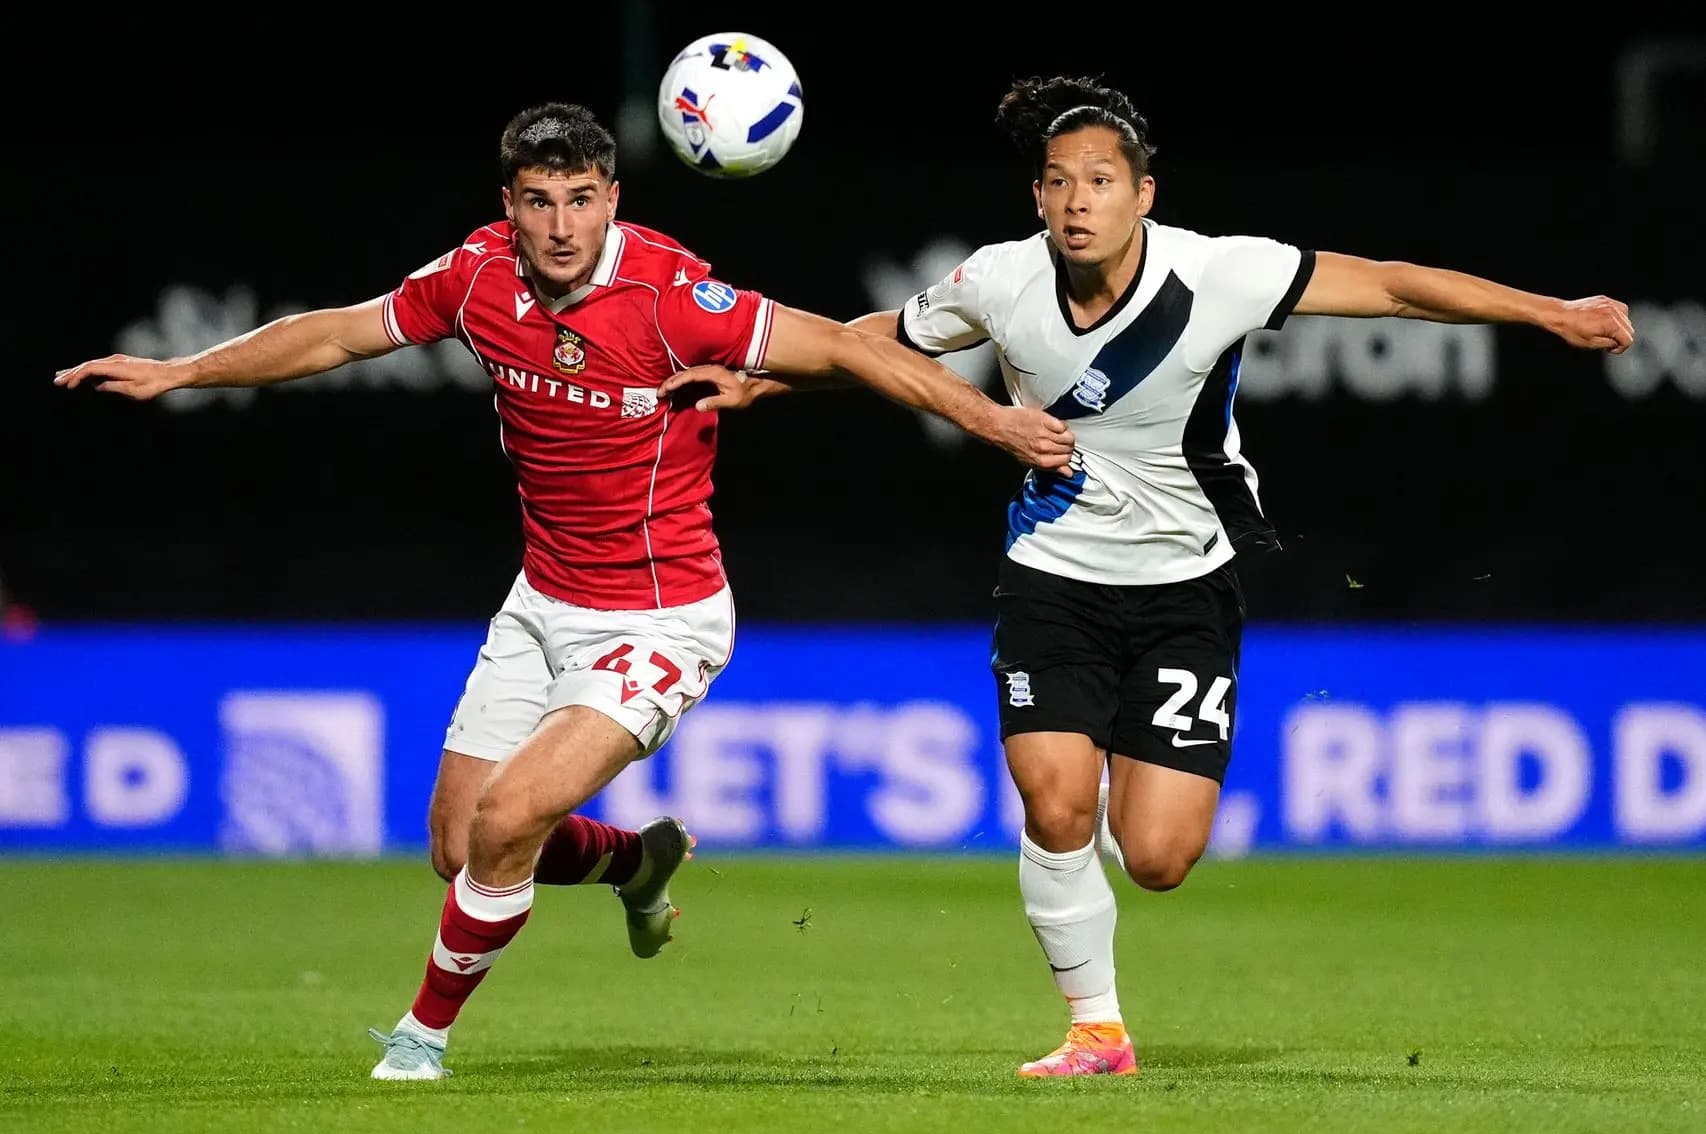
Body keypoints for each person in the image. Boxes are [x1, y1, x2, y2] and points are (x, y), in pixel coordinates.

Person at [53, 100, 1076, 1081]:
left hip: (661, 614)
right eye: (539, 201)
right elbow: (335, 334)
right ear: (508, 203)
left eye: (581, 198)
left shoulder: (675, 297)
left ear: (612, 196)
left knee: (506, 823)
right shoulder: (475, 277)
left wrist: (995, 425)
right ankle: (636, 864)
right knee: (458, 844)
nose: (561, 225)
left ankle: (419, 1039)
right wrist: (182, 373)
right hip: (540, 601)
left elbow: (850, 347)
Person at [659, 74, 1636, 1078]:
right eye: (1056, 182)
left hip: (1184, 588)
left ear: (1144, 193)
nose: (1076, 200)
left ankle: (1132, 852)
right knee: (1051, 802)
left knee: (1158, 856)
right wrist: (760, 378)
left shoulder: (1218, 273)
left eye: (1097, 180)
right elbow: (876, 342)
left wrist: (1546, 312)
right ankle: (1095, 1029)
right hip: (1050, 579)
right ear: (1035, 198)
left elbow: (1387, 283)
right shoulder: (996, 279)